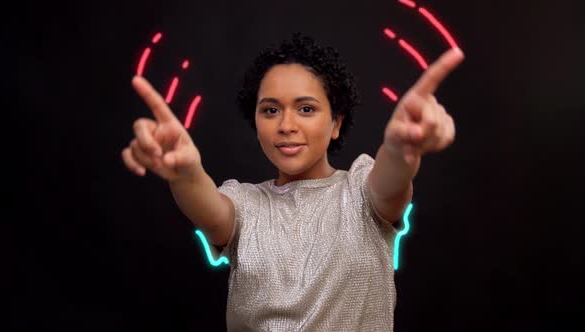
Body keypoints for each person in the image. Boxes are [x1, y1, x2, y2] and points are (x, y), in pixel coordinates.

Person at [121, 33, 464, 331]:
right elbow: (208, 210)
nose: (286, 124)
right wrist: (185, 172)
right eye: (270, 110)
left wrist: (400, 148)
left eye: (306, 109)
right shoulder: (244, 204)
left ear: (336, 123)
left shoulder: (360, 191)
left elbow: (391, 183)